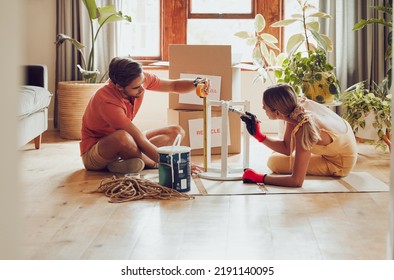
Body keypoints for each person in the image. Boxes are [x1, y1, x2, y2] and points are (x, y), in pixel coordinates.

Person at [80, 56, 210, 174]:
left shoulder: (138, 78)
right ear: (119, 87)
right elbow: (139, 139)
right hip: (97, 152)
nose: (142, 89)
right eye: (136, 87)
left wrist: (196, 82)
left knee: (176, 132)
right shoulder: (106, 101)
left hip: (129, 143)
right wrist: (176, 164)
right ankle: (154, 164)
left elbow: (173, 85)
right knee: (122, 137)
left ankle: (128, 163)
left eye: (143, 83)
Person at [240, 83, 358, 188]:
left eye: (264, 107)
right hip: (344, 145)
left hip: (340, 163)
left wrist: (259, 178)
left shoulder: (303, 127)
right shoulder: (296, 110)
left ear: (277, 113)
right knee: (276, 155)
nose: (263, 109)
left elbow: (296, 181)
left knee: (274, 162)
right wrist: (258, 135)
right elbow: (287, 148)